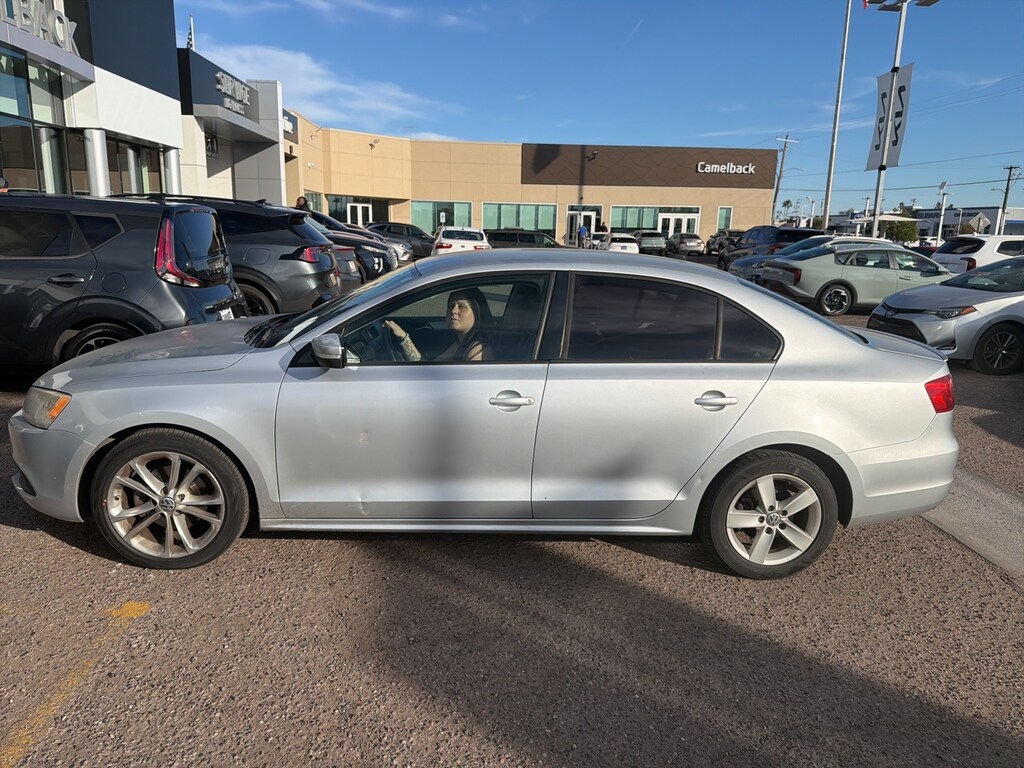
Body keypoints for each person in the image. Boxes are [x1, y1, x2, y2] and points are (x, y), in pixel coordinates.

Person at [385, 288, 492, 362]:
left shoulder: (477, 350)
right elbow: (425, 368)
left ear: (477, 312)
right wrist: (404, 338)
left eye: (462, 307)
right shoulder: (460, 344)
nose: (453, 310)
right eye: (451, 305)